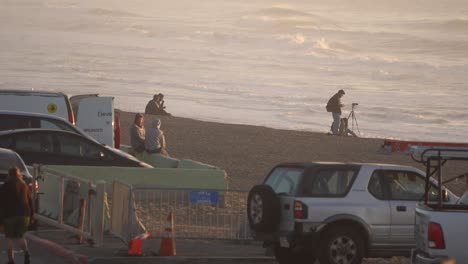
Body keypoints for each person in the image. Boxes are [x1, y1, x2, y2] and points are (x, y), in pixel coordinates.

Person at [2, 167, 34, 264]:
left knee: (9, 237)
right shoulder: (25, 186)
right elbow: (30, 202)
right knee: (20, 236)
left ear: (9, 175)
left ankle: (11, 261)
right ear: (19, 175)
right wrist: (32, 216)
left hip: (9, 215)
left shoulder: (5, 186)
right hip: (25, 215)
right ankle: (26, 253)